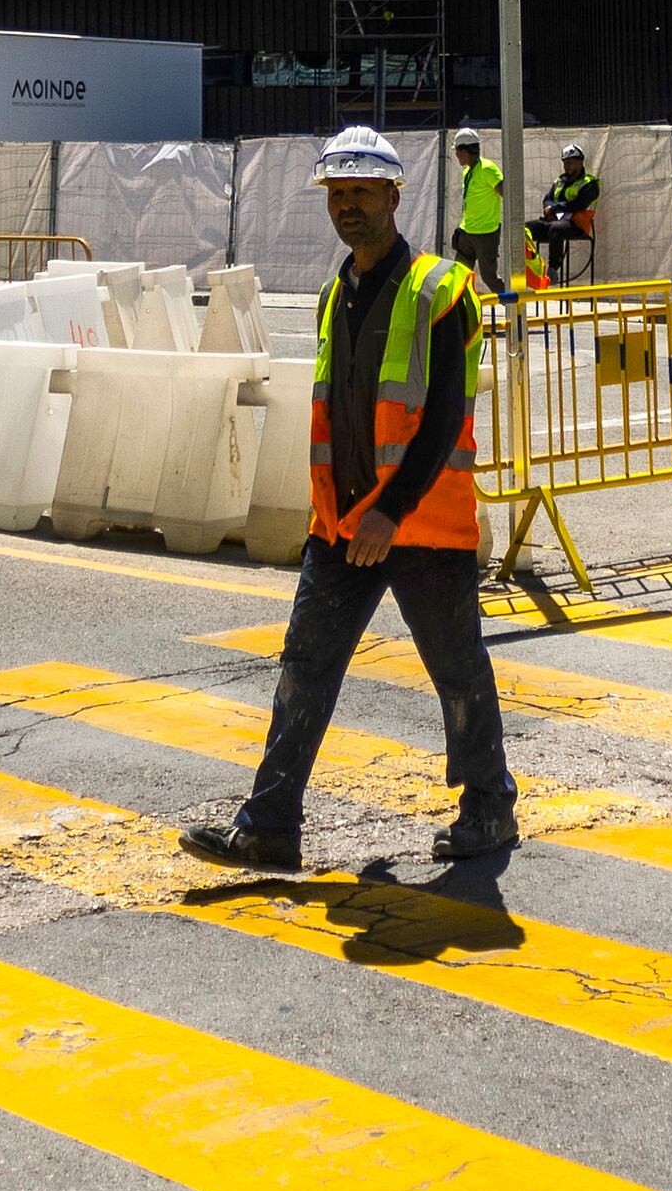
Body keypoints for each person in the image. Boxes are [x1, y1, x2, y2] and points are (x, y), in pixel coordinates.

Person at [181, 126, 518, 871]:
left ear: (394, 197)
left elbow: (444, 415)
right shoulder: (338, 293)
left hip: (419, 524)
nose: (348, 207)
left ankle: (489, 809)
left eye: (362, 192)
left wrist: (391, 511)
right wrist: (347, 517)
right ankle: (269, 826)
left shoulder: (441, 290)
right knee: (304, 665)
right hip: (342, 527)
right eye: (337, 194)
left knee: (457, 670)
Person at [534, 143, 603, 285]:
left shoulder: (590, 183)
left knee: (556, 229)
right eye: (565, 163)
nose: (567, 167)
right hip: (553, 222)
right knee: (525, 228)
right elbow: (547, 199)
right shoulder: (559, 181)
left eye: (571, 163)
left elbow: (579, 204)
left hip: (577, 225)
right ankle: (532, 267)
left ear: (580, 162)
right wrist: (549, 208)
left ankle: (553, 270)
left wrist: (553, 209)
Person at [447, 131, 507, 285]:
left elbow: (506, 193)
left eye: (458, 151)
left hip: (486, 234)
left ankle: (513, 307)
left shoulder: (487, 169)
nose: (456, 155)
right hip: (467, 232)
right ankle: (462, 308)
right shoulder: (468, 171)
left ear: (465, 150)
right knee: (459, 277)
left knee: (489, 278)